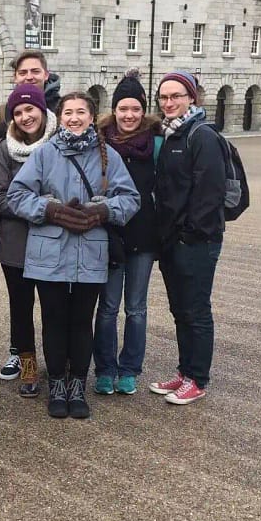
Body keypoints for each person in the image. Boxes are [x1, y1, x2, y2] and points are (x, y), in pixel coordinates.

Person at [7, 92, 140, 419]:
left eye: (81, 112)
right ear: (60, 116)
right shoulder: (44, 154)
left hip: (90, 250)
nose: (75, 118)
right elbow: (17, 195)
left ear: (92, 117)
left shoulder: (108, 155)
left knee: (82, 321)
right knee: (53, 320)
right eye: (68, 112)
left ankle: (77, 384)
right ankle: (56, 385)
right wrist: (49, 209)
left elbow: (130, 198)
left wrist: (101, 211)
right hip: (49, 249)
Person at [150, 71, 227, 406]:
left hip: (196, 241)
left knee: (196, 309)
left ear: (191, 98)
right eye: (164, 97)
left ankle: (198, 378)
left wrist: (187, 235)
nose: (169, 102)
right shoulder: (170, 136)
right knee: (180, 309)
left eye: (176, 96)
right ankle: (184, 371)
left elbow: (209, 195)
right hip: (172, 239)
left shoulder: (202, 136)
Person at [92, 71, 163, 397]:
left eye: (135, 108)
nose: (129, 115)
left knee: (136, 307)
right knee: (107, 306)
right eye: (123, 109)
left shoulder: (157, 143)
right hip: (110, 234)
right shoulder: (100, 141)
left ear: (143, 110)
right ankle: (105, 368)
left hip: (144, 236)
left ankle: (130, 369)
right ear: (114, 110)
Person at [0, 84, 58, 397]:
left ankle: (58, 364)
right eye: (18, 111)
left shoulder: (59, 143)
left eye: (30, 109)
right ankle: (27, 367)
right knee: (21, 308)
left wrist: (35, 203)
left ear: (42, 111)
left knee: (55, 307)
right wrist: (40, 205)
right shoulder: (6, 148)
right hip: (15, 243)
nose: (25, 116)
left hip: (54, 240)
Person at [0, 50, 61, 147]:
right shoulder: (0, 115)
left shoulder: (62, 109)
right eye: (23, 73)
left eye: (35, 71)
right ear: (15, 77)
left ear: (46, 75)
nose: (29, 77)